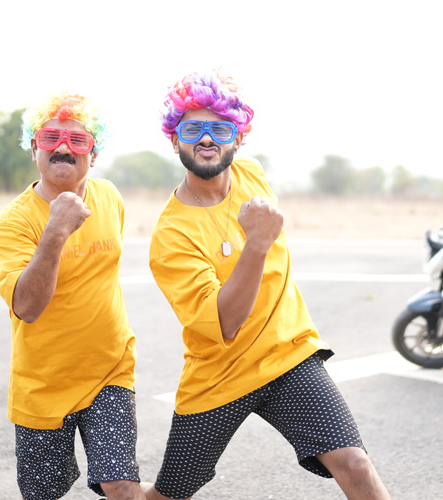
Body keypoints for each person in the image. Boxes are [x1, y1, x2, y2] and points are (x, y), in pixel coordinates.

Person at [147, 70, 391, 500]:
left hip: (287, 356)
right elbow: (225, 323)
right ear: (174, 139)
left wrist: (256, 240)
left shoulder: (252, 174)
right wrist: (256, 244)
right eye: (192, 129)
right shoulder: (171, 236)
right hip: (219, 376)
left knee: (354, 464)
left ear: (238, 139)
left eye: (221, 129)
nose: (207, 139)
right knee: (169, 495)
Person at [0, 91, 152, 500]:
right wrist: (57, 229)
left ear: (93, 155)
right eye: (51, 138)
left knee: (122, 486)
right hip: (42, 386)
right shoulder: (12, 222)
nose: (63, 147)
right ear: (34, 149)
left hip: (109, 372)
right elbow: (27, 307)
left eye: (78, 140)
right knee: (43, 495)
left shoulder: (109, 197)